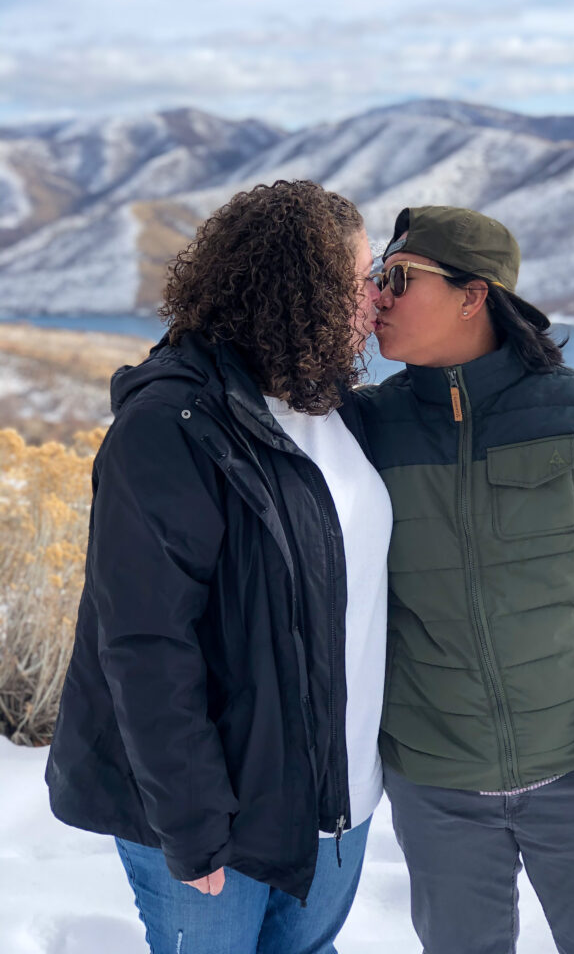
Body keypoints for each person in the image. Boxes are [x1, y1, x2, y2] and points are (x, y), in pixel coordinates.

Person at [45, 180, 392, 954]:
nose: (375, 299)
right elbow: (144, 641)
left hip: (337, 797)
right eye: (359, 280)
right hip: (215, 814)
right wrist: (192, 822)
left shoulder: (336, 407)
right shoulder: (172, 424)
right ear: (300, 291)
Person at [352, 205, 574, 954]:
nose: (378, 296)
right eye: (377, 278)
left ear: (474, 295)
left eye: (399, 279)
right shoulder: (363, 427)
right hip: (435, 778)